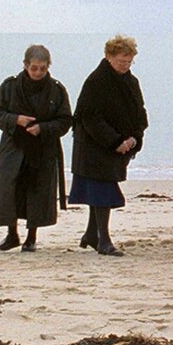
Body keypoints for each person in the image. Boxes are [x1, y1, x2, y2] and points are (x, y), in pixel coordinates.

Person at [68, 34, 149, 257]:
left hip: (120, 147)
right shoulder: (96, 81)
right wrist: (115, 142)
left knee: (100, 192)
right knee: (102, 193)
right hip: (93, 148)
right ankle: (103, 240)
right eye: (122, 60)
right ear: (109, 57)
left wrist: (134, 138)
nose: (125, 65)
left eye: (129, 61)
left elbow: (140, 113)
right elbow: (89, 118)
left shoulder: (131, 82)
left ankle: (91, 235)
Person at [0, 45, 73, 252]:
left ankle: (31, 237)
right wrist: (16, 119)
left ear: (48, 67)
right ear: (25, 65)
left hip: (43, 149)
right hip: (13, 146)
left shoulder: (57, 89)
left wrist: (42, 128)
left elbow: (65, 120)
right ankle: (11, 234)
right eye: (34, 68)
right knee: (10, 190)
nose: (37, 72)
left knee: (38, 191)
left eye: (42, 68)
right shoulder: (9, 86)